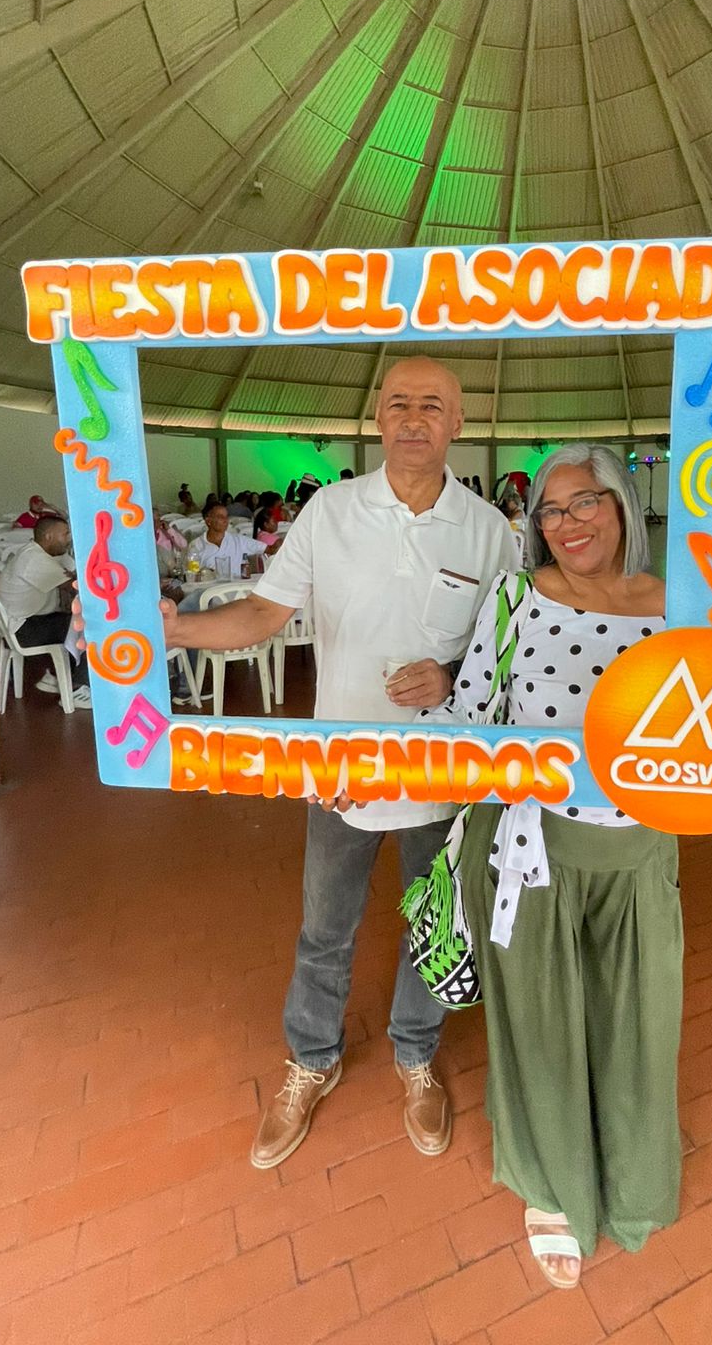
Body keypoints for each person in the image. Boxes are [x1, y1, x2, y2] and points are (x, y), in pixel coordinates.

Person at [157, 358, 519, 1166]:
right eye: (400, 403)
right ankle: (311, 1059)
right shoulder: (331, 511)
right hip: (341, 771)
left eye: (433, 405)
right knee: (325, 928)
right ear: (378, 418)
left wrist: (451, 675)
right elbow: (261, 612)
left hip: (442, 772)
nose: (415, 418)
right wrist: (177, 632)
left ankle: (416, 1055)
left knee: (434, 922)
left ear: (459, 422)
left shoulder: (489, 530)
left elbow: (504, 650)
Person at [432, 445, 680, 1289]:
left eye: (586, 502)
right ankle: (550, 1187)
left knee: (636, 1022)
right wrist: (373, 762)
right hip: (534, 845)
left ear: (622, 506)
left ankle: (633, 1178)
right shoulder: (518, 598)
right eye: (551, 509)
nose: (567, 523)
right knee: (541, 1026)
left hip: (641, 849)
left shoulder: (680, 605)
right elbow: (469, 715)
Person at [0, 517, 91, 709]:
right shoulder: (34, 559)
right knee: (85, 624)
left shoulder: (36, 554)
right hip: (22, 630)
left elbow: (71, 577)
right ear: (49, 536)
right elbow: (74, 586)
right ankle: (78, 687)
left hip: (19, 624)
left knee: (68, 620)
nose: (69, 539)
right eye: (65, 534)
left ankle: (54, 677)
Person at [179, 500, 268, 583]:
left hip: (236, 587)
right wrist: (207, 573)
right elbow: (192, 576)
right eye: (220, 517)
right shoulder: (196, 546)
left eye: (226, 516)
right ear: (208, 521)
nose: (225, 520)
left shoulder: (238, 540)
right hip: (209, 590)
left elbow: (268, 549)